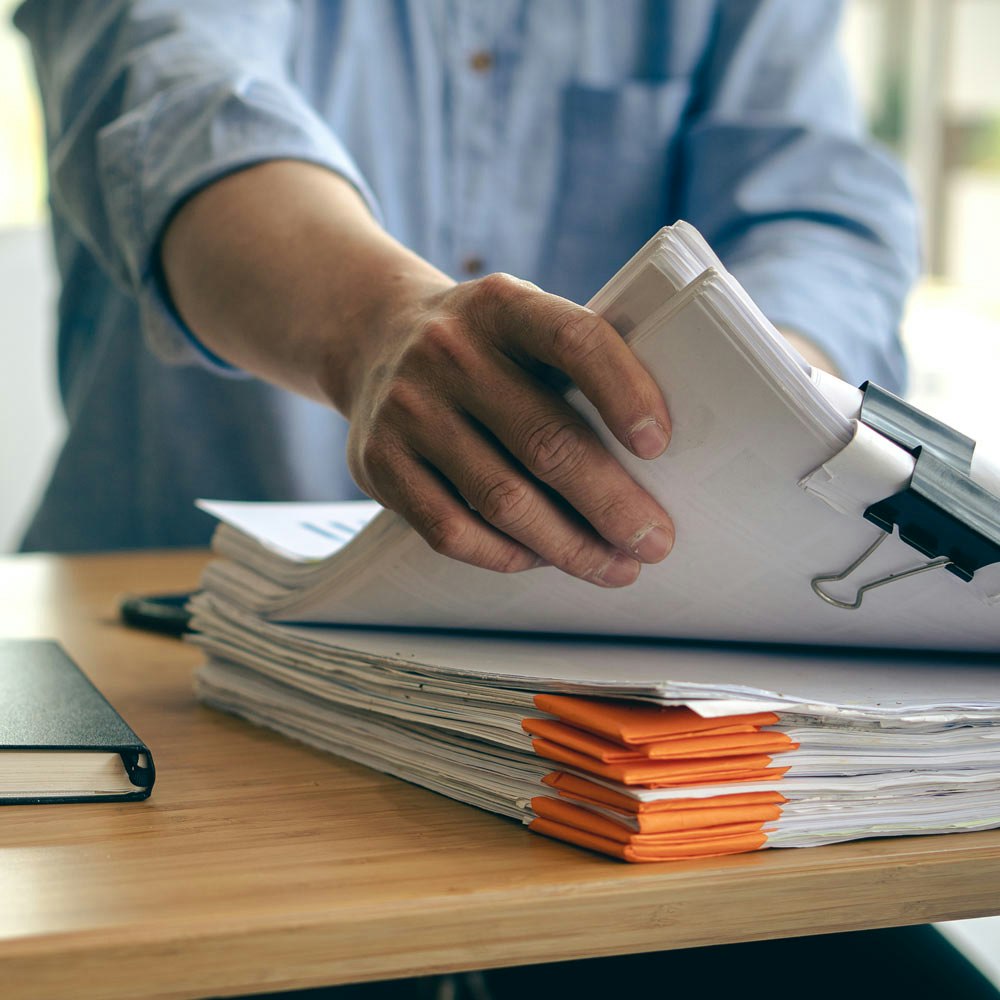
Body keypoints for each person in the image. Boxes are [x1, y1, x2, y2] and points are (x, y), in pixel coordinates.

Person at [16, 2, 999, 998]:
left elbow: (818, 205)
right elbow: (174, 93)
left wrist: (770, 394)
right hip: (174, 669)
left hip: (638, 720)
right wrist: (376, 325)